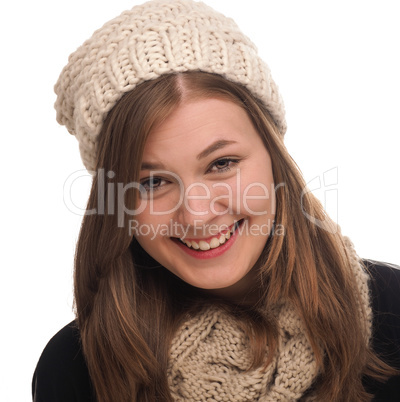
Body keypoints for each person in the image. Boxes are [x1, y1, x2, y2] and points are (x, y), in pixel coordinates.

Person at [32, 0, 400, 401]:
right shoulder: (71, 371)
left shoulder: (393, 310)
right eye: (153, 182)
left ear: (274, 158)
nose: (198, 214)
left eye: (222, 163)